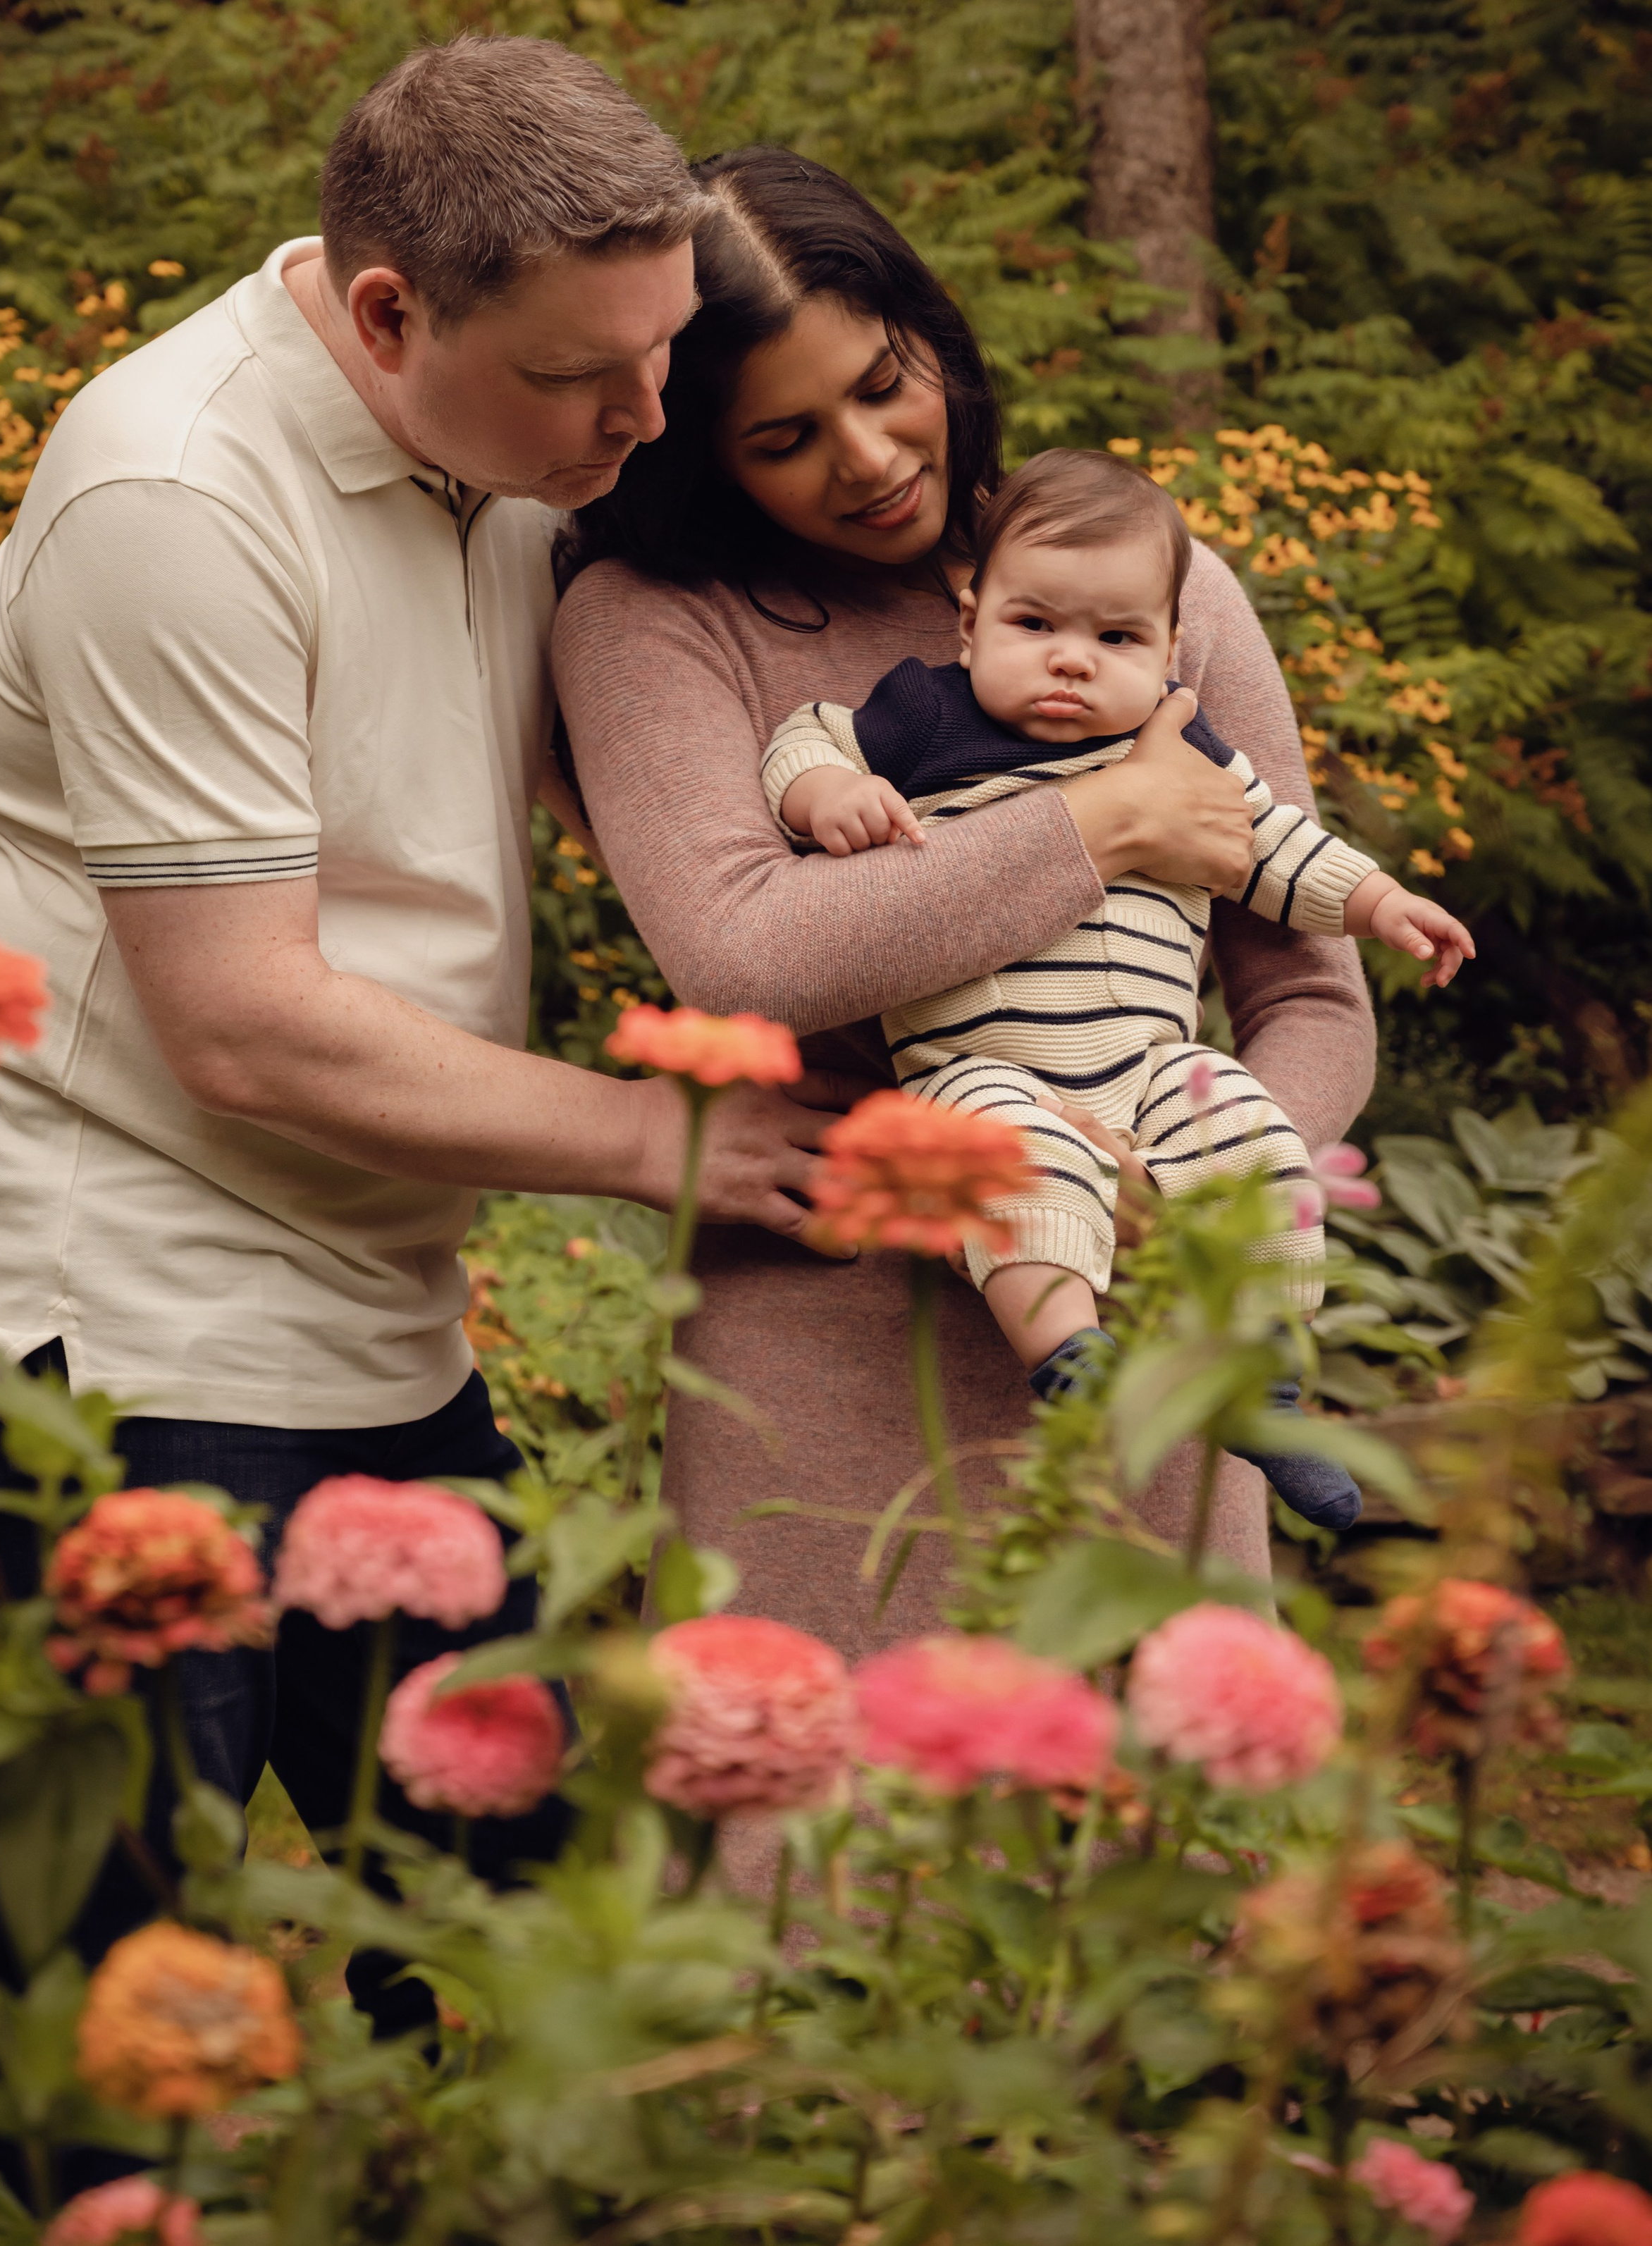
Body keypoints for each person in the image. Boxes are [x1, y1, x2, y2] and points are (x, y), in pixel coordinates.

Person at [0, 39, 842, 2077]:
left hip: (378, 1330)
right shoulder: (176, 487)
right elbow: (239, 1017)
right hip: (118, 1345)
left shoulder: (515, 450)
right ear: (391, 312)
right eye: (593, 373)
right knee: (108, 2033)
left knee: (510, 1971)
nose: (645, 416)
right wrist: (682, 1142)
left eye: (663, 352)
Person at [553, 144, 1382, 1658]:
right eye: (785, 435)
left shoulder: (1138, 580)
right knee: (831, 1862)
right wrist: (1105, 816)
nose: (866, 457)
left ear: (933, 334)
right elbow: (746, 954)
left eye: (884, 382)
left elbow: (1308, 990)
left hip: (1146, 1334)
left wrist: (1190, 1187)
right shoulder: (654, 627)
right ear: (701, 451)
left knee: (1160, 1853)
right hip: (823, 1368)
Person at [761, 446, 1473, 1529]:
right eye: (1034, 626)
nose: (1071, 664)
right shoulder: (930, 721)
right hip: (980, 1068)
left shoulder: (1181, 747)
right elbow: (802, 735)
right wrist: (828, 795)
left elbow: (1273, 843)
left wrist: (1378, 903)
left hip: (1153, 1066)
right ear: (970, 624)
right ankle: (1068, 1357)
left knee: (1257, 1139)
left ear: (1172, 651)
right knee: (1011, 1167)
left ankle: (1265, 1386)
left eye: (1116, 638)